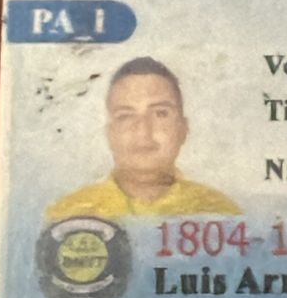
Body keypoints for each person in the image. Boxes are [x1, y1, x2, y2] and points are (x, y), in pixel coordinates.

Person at [46, 57, 239, 219]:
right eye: (125, 116)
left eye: (160, 114)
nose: (143, 131)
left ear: (183, 129)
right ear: (110, 133)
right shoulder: (68, 215)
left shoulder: (220, 214)